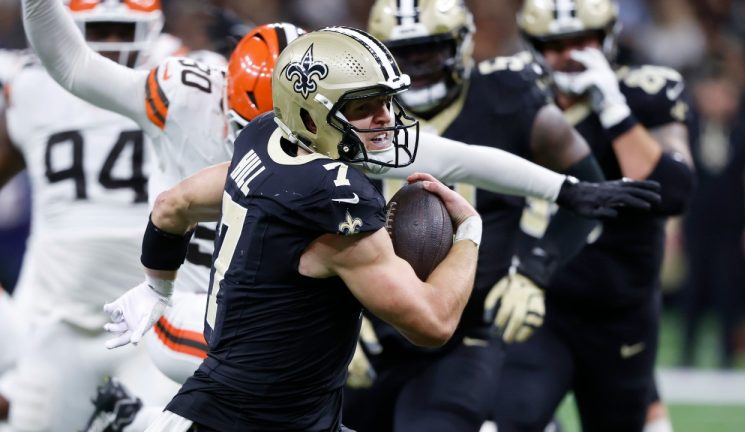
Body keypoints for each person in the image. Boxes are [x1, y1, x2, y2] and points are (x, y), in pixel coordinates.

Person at [113, 26, 484, 431]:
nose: (386, 118)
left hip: (238, 407)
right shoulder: (335, 199)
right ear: (310, 115)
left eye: (387, 100)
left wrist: (157, 287)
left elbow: (173, 206)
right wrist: (468, 232)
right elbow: (433, 323)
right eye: (363, 106)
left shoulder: (264, 136)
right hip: (258, 422)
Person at [340, 1, 651, 430]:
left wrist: (534, 272)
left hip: (465, 330)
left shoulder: (504, 94)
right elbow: (317, 220)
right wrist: (336, 315)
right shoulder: (348, 109)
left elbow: (585, 192)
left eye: (430, 50)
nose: (418, 67)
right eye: (403, 54)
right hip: (372, 329)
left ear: (462, 44)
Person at [491, 0, 696, 431]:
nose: (570, 55)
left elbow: (672, 191)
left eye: (582, 41)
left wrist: (615, 110)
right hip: (540, 298)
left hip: (620, 308)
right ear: (533, 46)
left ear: (608, 38)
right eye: (555, 44)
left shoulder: (645, 91)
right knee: (510, 420)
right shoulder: (513, 95)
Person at [0, 0, 184, 430]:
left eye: (124, 31)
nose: (112, 44)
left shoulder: (183, 80)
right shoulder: (30, 86)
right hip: (56, 320)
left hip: (155, 319)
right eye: (101, 29)